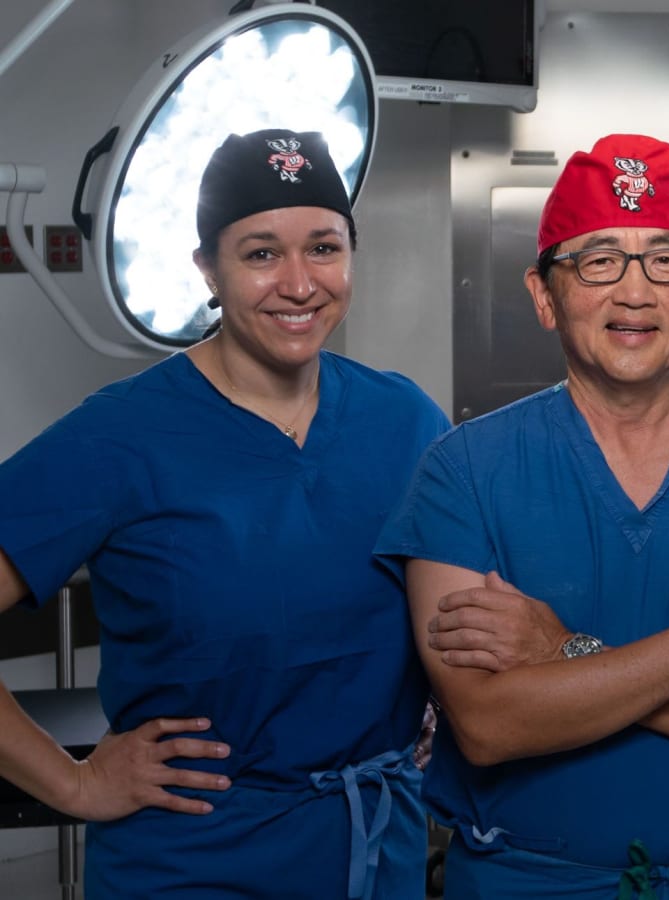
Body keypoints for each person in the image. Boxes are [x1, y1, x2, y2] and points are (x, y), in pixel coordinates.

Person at [375, 133, 669, 899]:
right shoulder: (463, 472)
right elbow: (492, 724)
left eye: (667, 260)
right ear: (543, 294)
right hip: (521, 881)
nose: (635, 292)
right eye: (598, 260)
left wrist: (563, 651)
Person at [0, 128, 450, 898]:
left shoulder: (403, 419)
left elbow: (455, 600)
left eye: (324, 247)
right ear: (207, 267)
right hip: (193, 861)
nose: (301, 283)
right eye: (261, 253)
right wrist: (74, 786)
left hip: (375, 853)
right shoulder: (121, 436)